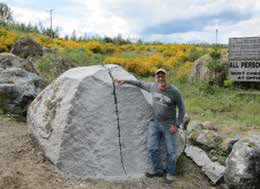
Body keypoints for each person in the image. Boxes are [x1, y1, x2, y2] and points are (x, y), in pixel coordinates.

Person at [114, 68, 185, 184]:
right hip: (155, 123)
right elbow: (140, 83)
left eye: (162, 76)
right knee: (153, 148)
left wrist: (176, 125)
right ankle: (158, 170)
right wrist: (124, 81)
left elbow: (182, 109)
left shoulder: (175, 92)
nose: (160, 78)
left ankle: (170, 173)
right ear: (155, 78)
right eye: (158, 76)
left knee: (171, 151)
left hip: (169, 125)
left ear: (166, 77)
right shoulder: (152, 87)